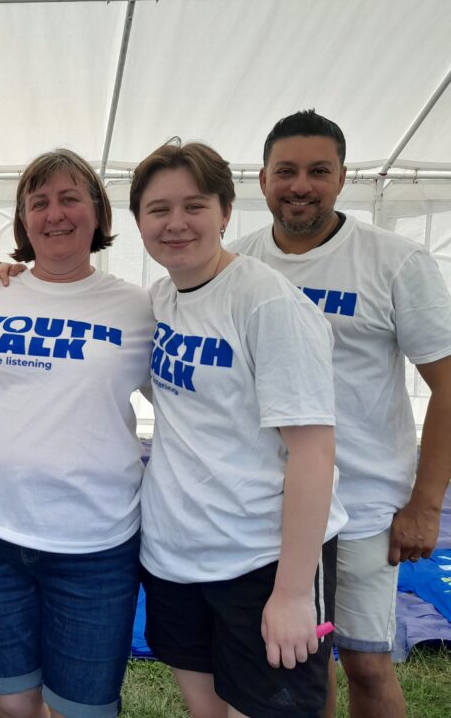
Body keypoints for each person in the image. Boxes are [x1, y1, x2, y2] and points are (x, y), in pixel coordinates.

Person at [231, 110, 451, 718]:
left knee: (366, 662)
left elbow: (447, 386)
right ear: (262, 178)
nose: (300, 185)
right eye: (287, 171)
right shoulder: (239, 262)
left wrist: (424, 505)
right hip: (266, 500)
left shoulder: (395, 262)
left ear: (343, 177)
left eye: (318, 171)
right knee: (302, 658)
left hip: (362, 504)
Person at [131, 140, 346, 718]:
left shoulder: (266, 302)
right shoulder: (158, 300)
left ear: (226, 213)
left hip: (261, 561)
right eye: (158, 210)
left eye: (194, 206)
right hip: (176, 557)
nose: (176, 224)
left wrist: (294, 591)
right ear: (139, 223)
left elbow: (313, 451)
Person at [0, 149, 154, 718]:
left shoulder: (138, 308)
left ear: (97, 213)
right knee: (10, 705)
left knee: (82, 711)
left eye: (70, 198)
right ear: (22, 220)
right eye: (38, 202)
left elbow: (188, 408)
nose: (54, 214)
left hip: (93, 545)